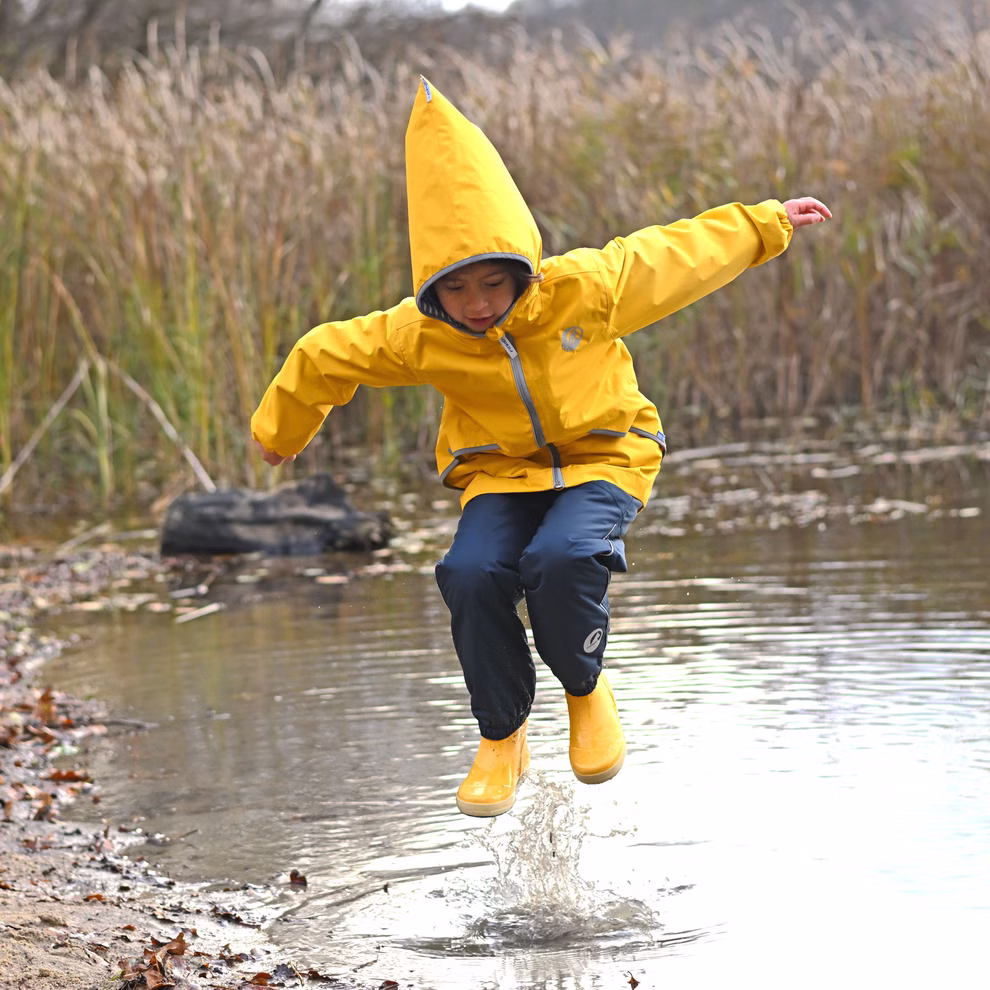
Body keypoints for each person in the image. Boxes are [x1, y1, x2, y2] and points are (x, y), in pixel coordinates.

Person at [251, 77, 831, 818]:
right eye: (458, 292)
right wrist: (281, 431)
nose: (481, 305)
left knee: (558, 561)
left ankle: (585, 690)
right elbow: (325, 353)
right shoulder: (419, 333)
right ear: (434, 292)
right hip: (500, 472)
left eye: (495, 284)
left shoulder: (581, 289)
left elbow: (674, 256)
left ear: (522, 269)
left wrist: (765, 224)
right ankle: (503, 733)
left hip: (606, 456)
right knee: (468, 571)